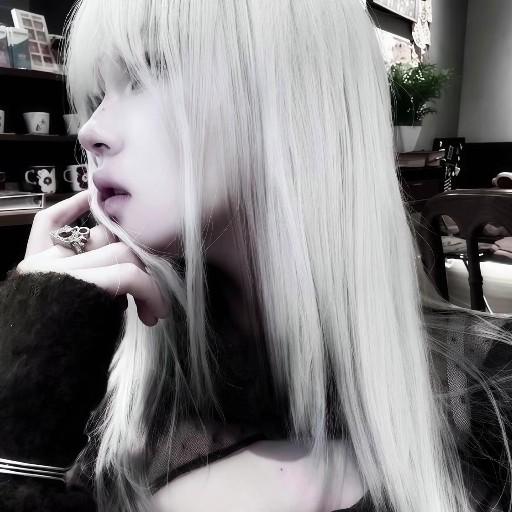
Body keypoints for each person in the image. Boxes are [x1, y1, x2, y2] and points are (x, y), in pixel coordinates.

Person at [2, 0, 512, 511]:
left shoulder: (489, 390)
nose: (90, 131)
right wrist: (29, 376)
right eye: (97, 95)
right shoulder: (98, 376)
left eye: (145, 72)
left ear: (294, 94)